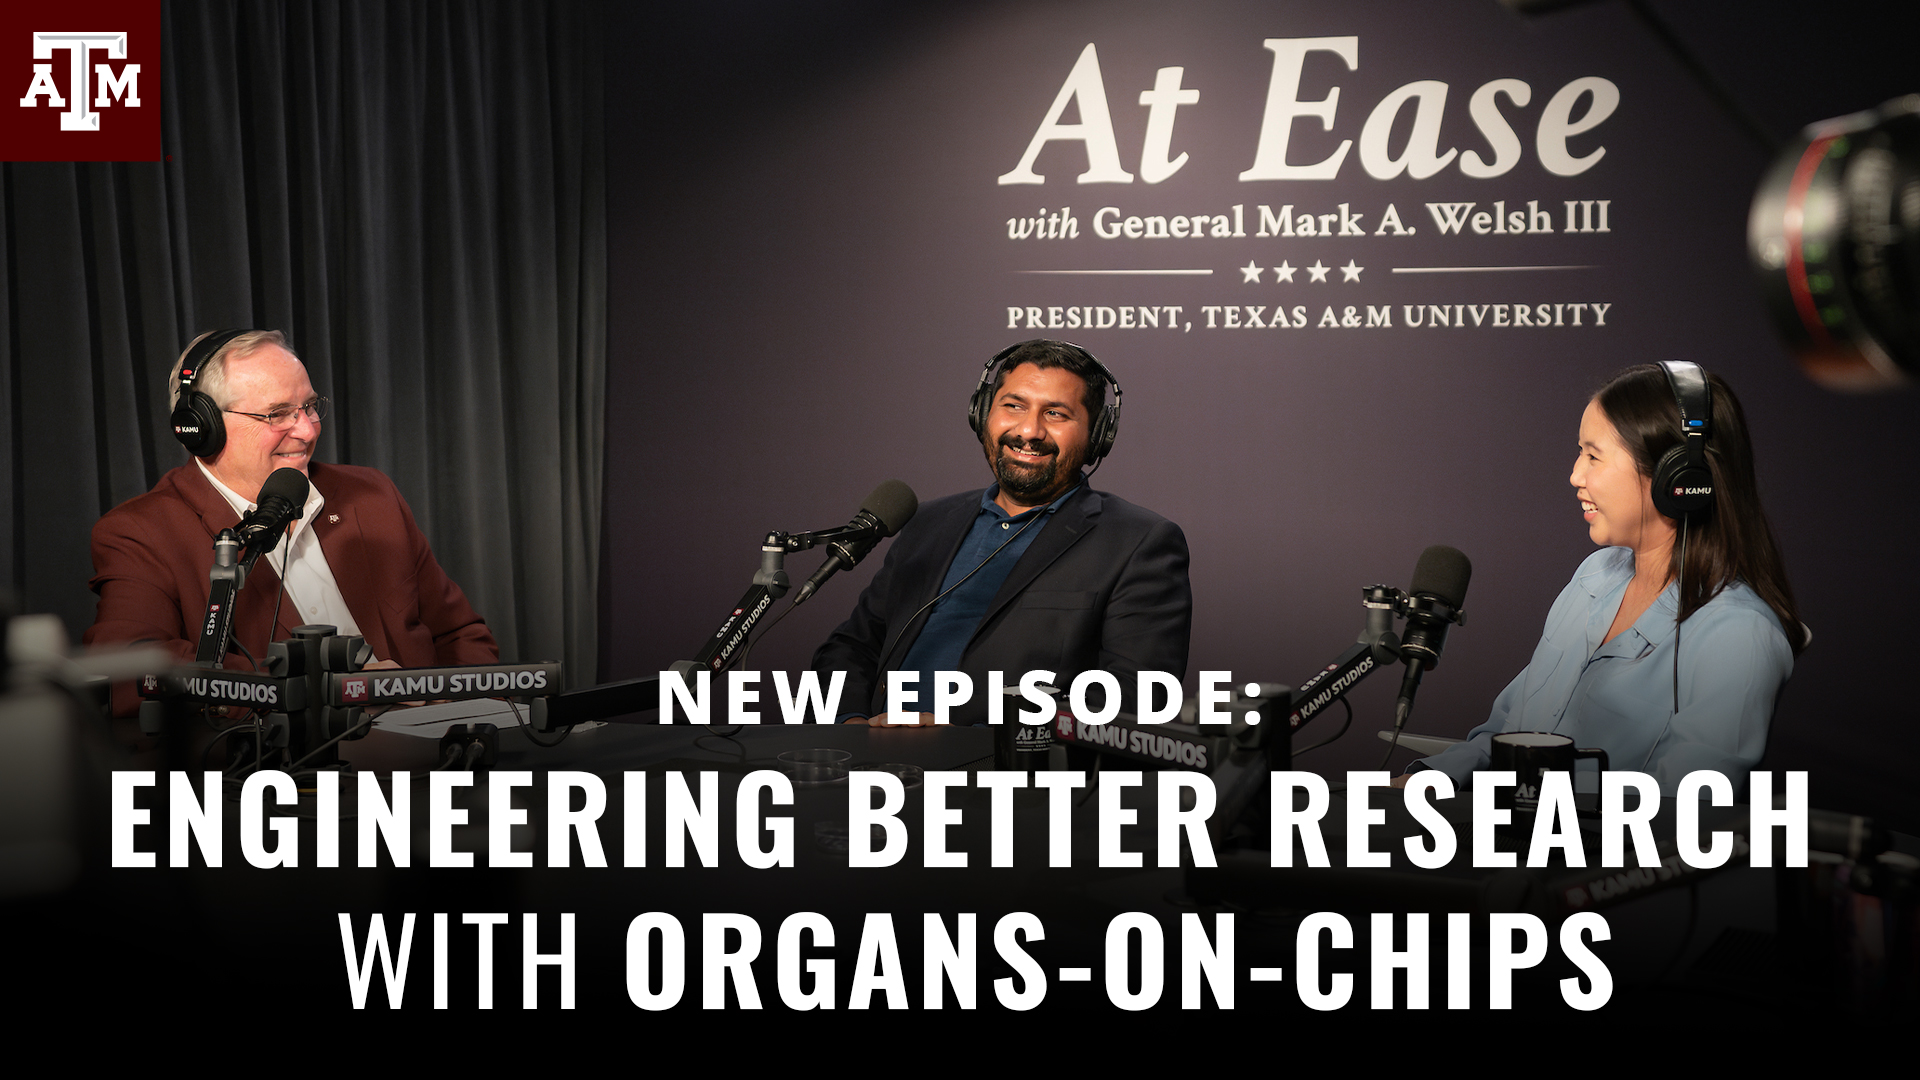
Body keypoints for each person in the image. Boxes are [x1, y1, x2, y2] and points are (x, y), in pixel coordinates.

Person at [1406, 362, 1803, 795]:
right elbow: (1508, 729)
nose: (1576, 475)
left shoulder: (1738, 633)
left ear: (1678, 478)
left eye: (1593, 456)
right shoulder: (1594, 575)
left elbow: (1682, 810)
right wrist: (1430, 780)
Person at [84, 329, 497, 714]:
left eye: (310, 406)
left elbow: (460, 636)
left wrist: (453, 721)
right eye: (277, 414)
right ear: (200, 427)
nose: (307, 429)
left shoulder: (373, 496)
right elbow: (130, 673)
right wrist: (326, 690)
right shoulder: (140, 532)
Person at [812, 339, 1191, 726]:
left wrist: (966, 742)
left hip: (1012, 777)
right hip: (880, 769)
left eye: (1057, 414)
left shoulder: (1139, 542)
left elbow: (1138, 696)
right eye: (1013, 406)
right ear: (981, 414)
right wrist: (852, 725)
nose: (1029, 430)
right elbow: (851, 647)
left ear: (1097, 436)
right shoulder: (926, 523)